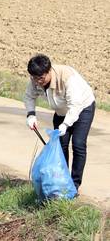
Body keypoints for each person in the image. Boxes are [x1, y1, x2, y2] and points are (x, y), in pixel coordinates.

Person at [24, 54, 96, 191]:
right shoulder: (36, 79)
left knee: (78, 144)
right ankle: (62, 180)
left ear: (49, 70)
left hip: (83, 109)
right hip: (61, 111)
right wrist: (31, 115)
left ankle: (74, 185)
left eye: (41, 78)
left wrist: (66, 124)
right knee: (60, 145)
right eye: (34, 78)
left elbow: (75, 105)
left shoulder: (67, 77)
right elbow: (29, 96)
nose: (38, 81)